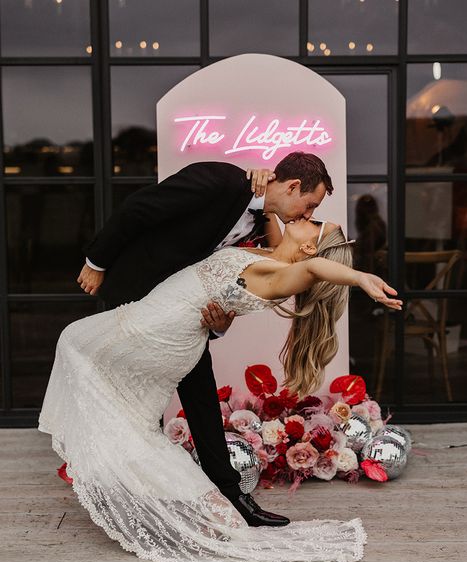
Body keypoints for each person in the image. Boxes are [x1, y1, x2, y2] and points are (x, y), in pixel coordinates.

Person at [38, 217, 401, 562]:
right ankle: (161, 487)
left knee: (76, 344)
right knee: (117, 402)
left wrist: (358, 277)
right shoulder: (270, 255)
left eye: (313, 222)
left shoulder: (278, 276)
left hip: (158, 334)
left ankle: (196, 502)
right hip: (164, 327)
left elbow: (314, 269)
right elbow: (272, 211)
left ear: (309, 246)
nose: (305, 216)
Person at [75, 152, 332, 528]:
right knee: (129, 398)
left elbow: (230, 283)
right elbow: (138, 208)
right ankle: (125, 495)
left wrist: (221, 323)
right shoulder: (220, 180)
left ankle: (231, 496)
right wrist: (96, 263)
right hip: (134, 295)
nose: (306, 215)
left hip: (184, 318)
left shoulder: (263, 229)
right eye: (309, 205)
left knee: (202, 400)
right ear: (293, 186)